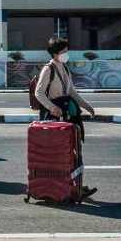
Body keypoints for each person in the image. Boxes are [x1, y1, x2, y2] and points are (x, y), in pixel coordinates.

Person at [33, 37, 98, 199]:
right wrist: (52, 108)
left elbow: (71, 92)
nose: (66, 54)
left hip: (68, 115)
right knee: (59, 154)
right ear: (55, 53)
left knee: (74, 150)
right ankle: (61, 187)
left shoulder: (65, 68)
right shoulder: (48, 69)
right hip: (54, 118)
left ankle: (77, 186)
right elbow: (38, 93)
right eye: (63, 51)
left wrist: (86, 106)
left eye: (66, 51)